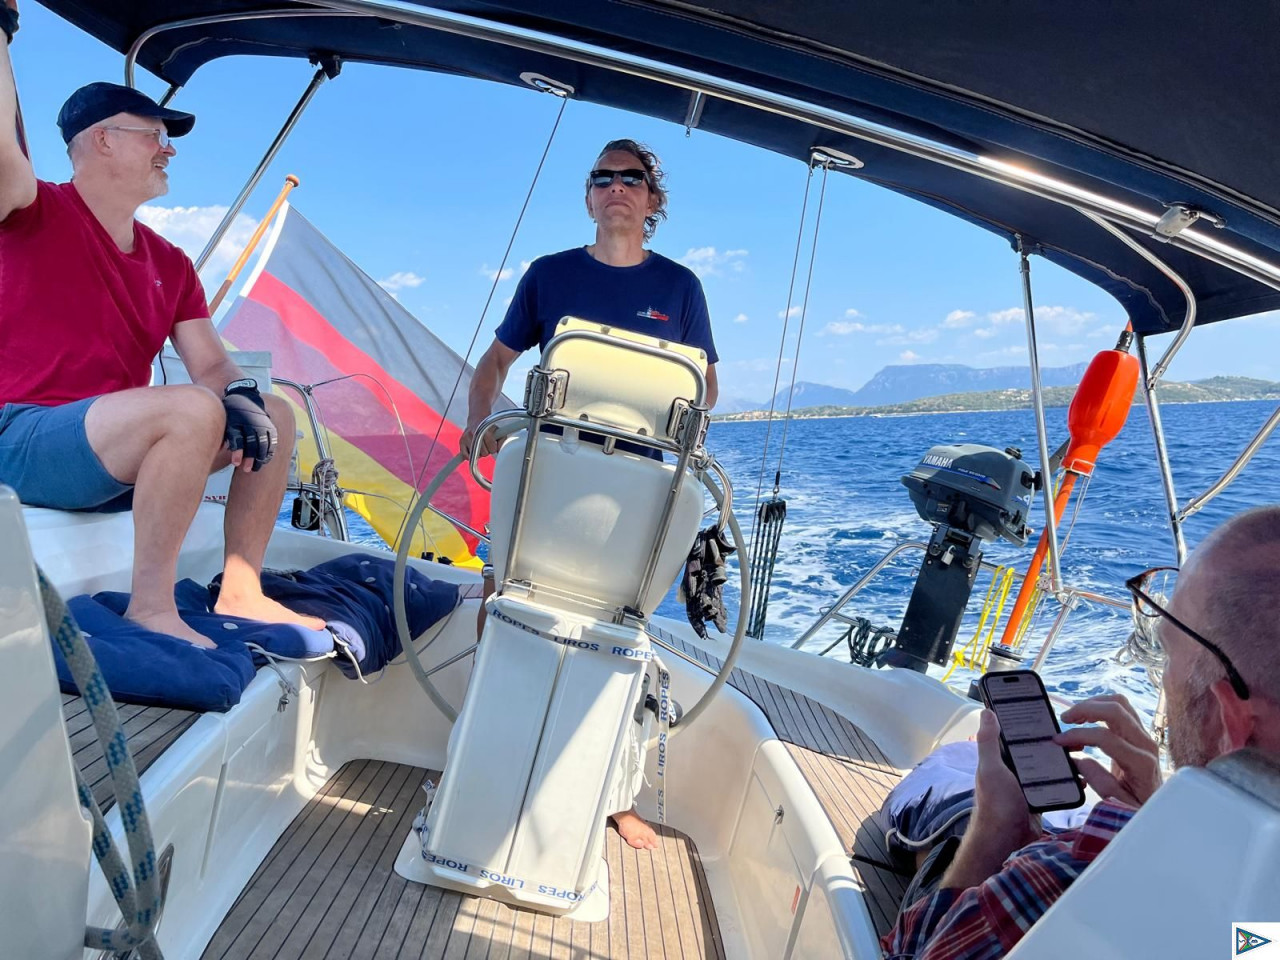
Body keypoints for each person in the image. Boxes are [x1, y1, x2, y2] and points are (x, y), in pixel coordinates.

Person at [0, 6, 324, 649]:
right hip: (23, 436)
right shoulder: (30, 211)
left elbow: (211, 365)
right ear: (102, 141)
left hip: (110, 451)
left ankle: (241, 588)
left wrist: (240, 393)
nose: (168, 148)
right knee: (189, 410)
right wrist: (2, 29)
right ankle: (151, 608)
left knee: (275, 413)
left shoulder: (170, 263)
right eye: (153, 134)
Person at [459, 139, 719, 851]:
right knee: (502, 600)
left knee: (622, 629)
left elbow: (705, 387)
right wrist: (481, 427)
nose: (615, 187)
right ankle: (483, 747)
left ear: (653, 200)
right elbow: (494, 364)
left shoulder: (681, 288)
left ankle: (613, 797)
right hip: (551, 472)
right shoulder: (549, 275)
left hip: (638, 487)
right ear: (588, 197)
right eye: (601, 178)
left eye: (630, 178)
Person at [884, 504, 1280, 959]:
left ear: (1232, 722)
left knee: (955, 813)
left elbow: (907, 953)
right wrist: (1155, 813)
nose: (1163, 677)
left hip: (988, 875)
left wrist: (993, 833)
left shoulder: (1069, 871)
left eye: (1168, 655)